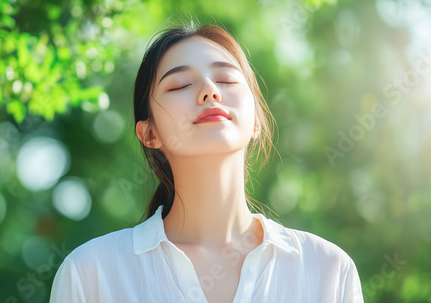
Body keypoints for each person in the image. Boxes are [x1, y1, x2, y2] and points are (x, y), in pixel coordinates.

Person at [49, 23, 364, 303]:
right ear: (150, 133)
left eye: (226, 80)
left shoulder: (328, 270)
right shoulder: (92, 273)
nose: (210, 92)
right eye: (180, 85)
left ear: (256, 119)